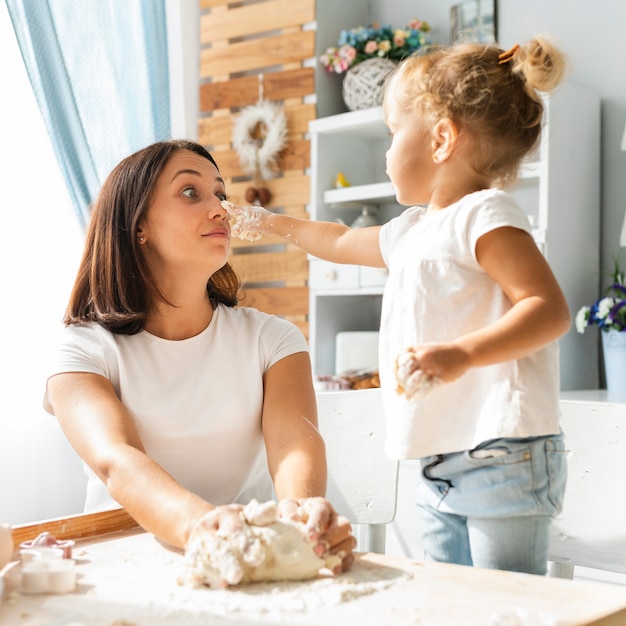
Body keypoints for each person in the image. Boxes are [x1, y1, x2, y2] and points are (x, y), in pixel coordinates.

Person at [225, 37, 571, 575]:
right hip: (440, 459)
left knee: (506, 605)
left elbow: (547, 309)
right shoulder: (412, 231)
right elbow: (338, 240)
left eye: (391, 133)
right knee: (446, 601)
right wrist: (269, 223)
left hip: (503, 452)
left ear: (441, 138)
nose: (386, 153)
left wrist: (460, 354)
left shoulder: (484, 214)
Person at [44, 139, 355, 571]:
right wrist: (203, 528)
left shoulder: (275, 339)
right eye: (191, 192)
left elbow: (293, 443)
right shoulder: (82, 350)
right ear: (139, 228)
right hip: (125, 563)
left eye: (221, 194)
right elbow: (117, 459)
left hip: (247, 559)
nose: (220, 209)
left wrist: (300, 519)